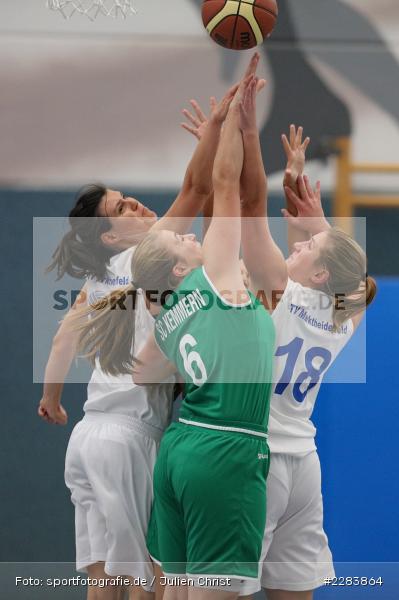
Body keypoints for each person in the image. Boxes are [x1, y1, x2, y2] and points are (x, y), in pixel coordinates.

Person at [37, 64, 252, 600]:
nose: (134, 203)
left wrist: (51, 398)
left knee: (103, 577)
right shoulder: (144, 253)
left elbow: (64, 337)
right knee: (150, 580)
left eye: (126, 195)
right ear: (109, 236)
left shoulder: (97, 277)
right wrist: (214, 134)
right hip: (128, 438)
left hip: (85, 437)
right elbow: (199, 186)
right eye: (121, 208)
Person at [238, 122, 377, 600]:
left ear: (319, 273)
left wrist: (308, 210)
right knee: (294, 589)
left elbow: (251, 212)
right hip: (304, 461)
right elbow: (356, 278)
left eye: (308, 246)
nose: (298, 241)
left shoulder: (280, 291)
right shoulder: (343, 317)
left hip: (259, 457)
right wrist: (316, 221)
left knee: (220, 588)